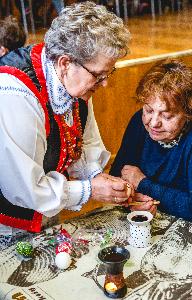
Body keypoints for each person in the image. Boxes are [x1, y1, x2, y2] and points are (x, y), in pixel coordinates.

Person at [0, 1, 131, 236]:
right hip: (8, 219)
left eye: (109, 73)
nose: (105, 83)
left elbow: (83, 141)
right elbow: (24, 188)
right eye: (99, 75)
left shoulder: (73, 79)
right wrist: (89, 190)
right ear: (65, 63)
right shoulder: (15, 93)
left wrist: (95, 176)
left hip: (46, 209)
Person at [110, 58, 192, 222]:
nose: (153, 123)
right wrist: (132, 198)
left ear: (188, 113)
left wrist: (143, 184)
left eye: (167, 115)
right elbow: (118, 174)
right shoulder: (139, 121)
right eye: (149, 110)